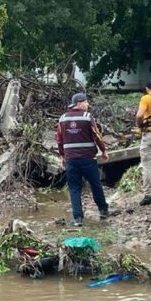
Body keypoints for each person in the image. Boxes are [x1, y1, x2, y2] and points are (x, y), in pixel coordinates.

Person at [56, 93, 110, 226]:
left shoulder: (63, 119)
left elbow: (59, 139)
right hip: (88, 159)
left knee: (74, 188)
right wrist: (103, 150)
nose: (88, 105)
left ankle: (78, 218)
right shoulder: (87, 117)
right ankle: (103, 210)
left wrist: (62, 155)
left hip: (71, 160)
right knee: (95, 184)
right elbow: (97, 136)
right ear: (79, 104)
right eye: (86, 102)